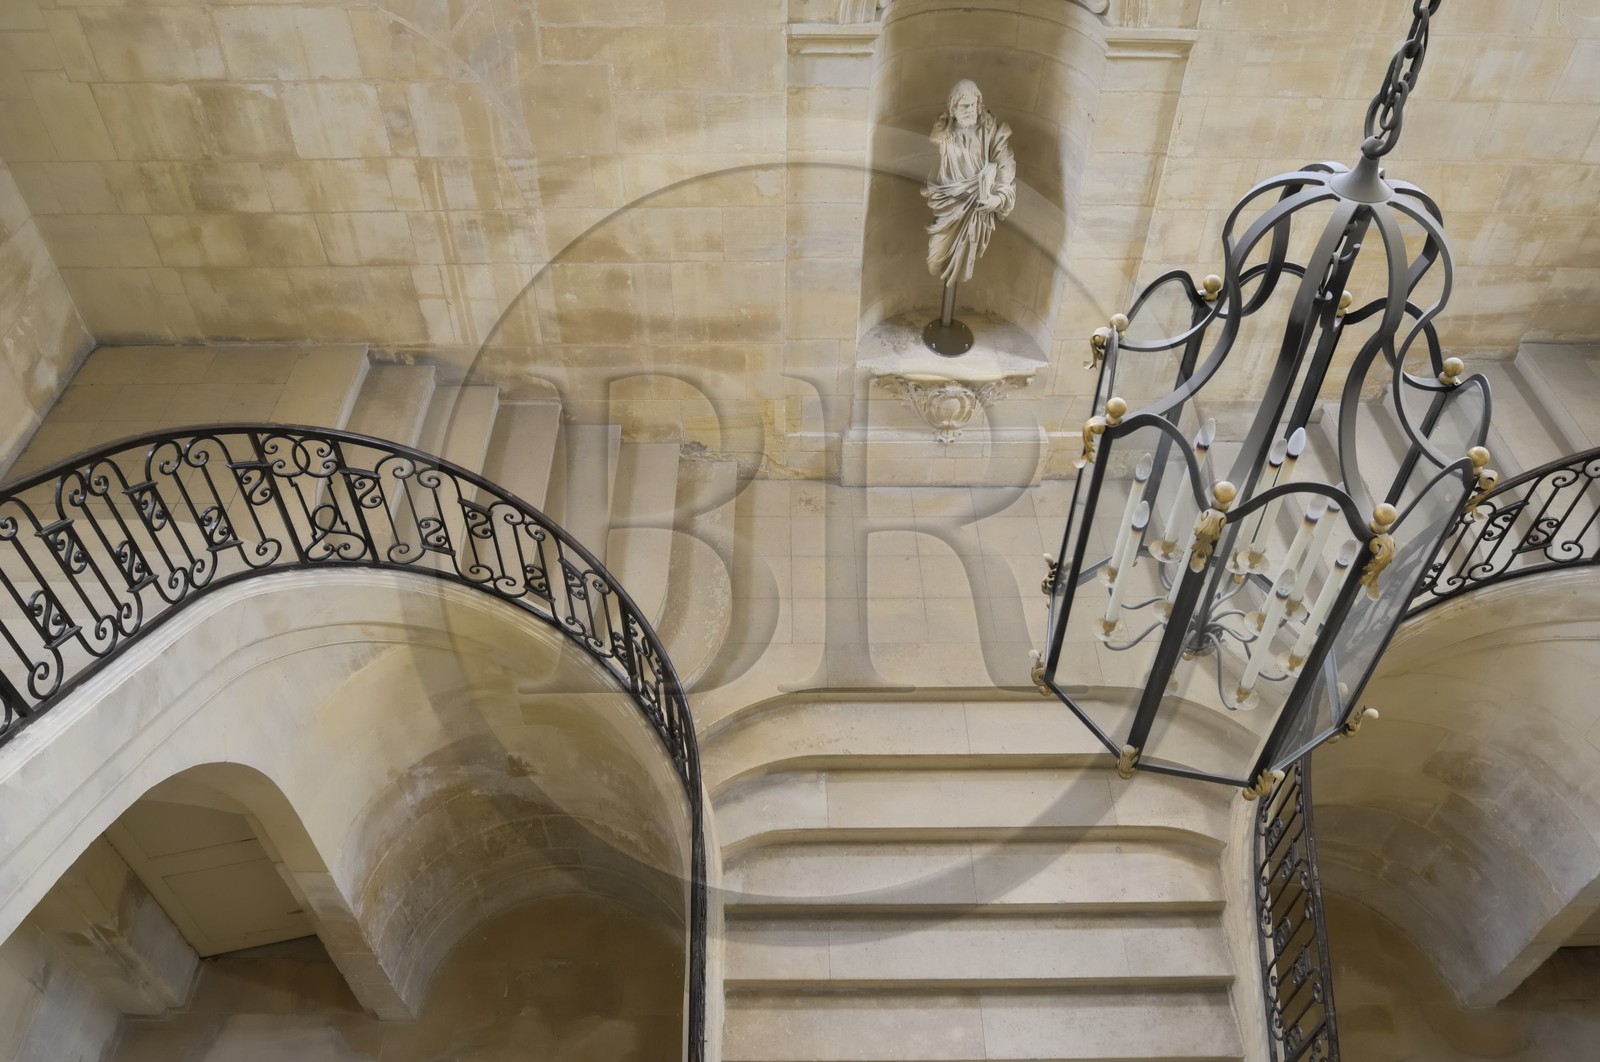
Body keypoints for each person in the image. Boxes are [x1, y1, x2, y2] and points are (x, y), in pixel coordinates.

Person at [923, 79, 1017, 287]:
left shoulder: (991, 133)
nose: (970, 110)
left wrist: (998, 197)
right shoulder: (941, 136)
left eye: (973, 105)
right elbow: (927, 169)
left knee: (964, 267)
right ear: (953, 109)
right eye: (964, 106)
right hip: (949, 205)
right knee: (934, 262)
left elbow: (1006, 167)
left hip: (977, 207)